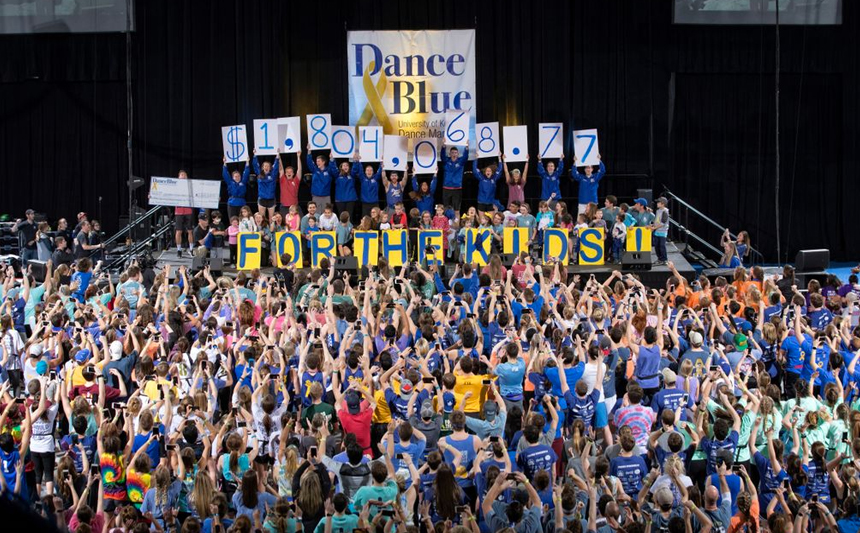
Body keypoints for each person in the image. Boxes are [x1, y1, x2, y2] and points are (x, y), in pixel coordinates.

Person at [441, 144, 469, 218]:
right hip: (446, 188)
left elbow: (465, 157)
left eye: (455, 153)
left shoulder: (461, 162)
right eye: (452, 153)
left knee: (457, 210)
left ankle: (456, 227)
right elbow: (442, 156)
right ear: (450, 154)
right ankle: (446, 226)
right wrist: (443, 147)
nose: (454, 154)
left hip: (457, 189)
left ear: (458, 154)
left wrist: (466, 148)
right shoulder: (446, 161)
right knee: (445, 209)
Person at [651, 196, 670, 266]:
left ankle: (664, 259)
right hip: (657, 231)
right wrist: (652, 226)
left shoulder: (665, 212)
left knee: (662, 246)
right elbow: (656, 220)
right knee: (657, 246)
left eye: (658, 202)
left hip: (663, 232)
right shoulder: (658, 211)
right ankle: (659, 259)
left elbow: (663, 223)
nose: (657, 204)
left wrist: (654, 228)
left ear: (663, 204)